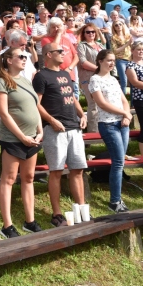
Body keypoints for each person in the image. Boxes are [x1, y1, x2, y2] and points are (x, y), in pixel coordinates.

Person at [34, 42, 88, 227]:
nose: (64, 53)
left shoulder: (66, 73)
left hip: (74, 127)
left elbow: (72, 97)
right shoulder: (41, 76)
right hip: (55, 129)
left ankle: (81, 209)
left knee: (78, 169)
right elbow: (36, 103)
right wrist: (50, 120)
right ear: (48, 54)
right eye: (59, 51)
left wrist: (82, 114)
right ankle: (56, 214)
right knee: (56, 171)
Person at [0, 46, 43, 238]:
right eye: (21, 56)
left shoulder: (26, 80)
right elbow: (4, 114)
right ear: (8, 60)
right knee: (8, 179)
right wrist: (21, 137)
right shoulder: (1, 81)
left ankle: (30, 221)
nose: (24, 59)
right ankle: (7, 225)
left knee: (29, 178)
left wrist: (39, 131)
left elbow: (35, 107)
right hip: (14, 139)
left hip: (32, 137)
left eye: (26, 56)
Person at [90, 50, 133, 212]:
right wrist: (124, 113)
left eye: (113, 60)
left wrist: (127, 116)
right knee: (118, 162)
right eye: (108, 60)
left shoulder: (114, 79)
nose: (112, 63)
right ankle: (115, 201)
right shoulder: (95, 79)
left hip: (123, 123)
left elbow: (124, 100)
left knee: (120, 161)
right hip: (108, 124)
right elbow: (101, 103)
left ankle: (117, 199)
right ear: (100, 61)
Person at [77, 23, 105, 132]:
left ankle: (103, 130)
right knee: (93, 104)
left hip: (102, 78)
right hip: (88, 78)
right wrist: (99, 69)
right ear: (84, 34)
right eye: (88, 32)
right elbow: (83, 62)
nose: (91, 34)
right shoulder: (81, 45)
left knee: (102, 103)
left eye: (93, 31)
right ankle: (93, 132)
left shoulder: (100, 45)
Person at [110, 20, 133, 92]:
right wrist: (127, 44)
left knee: (132, 81)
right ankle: (123, 100)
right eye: (116, 25)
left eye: (120, 24)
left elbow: (132, 47)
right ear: (114, 28)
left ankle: (133, 101)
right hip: (121, 60)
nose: (119, 26)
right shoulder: (114, 37)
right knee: (124, 81)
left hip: (130, 59)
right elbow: (115, 51)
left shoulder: (128, 36)